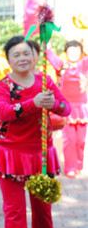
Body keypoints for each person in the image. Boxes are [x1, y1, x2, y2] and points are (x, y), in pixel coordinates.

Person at [0, 36, 70, 228]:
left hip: (41, 155)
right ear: (8, 59)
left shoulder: (45, 81)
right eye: (16, 54)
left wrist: (52, 103)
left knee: (43, 208)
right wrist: (32, 104)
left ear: (35, 56)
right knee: (14, 213)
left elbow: (65, 108)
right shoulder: (2, 85)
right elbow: (2, 112)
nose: (22, 58)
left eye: (27, 53)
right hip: (10, 155)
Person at [47, 40, 88, 178]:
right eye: (70, 50)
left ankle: (78, 165)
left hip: (81, 108)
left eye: (76, 50)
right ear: (66, 52)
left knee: (80, 140)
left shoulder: (84, 65)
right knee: (69, 139)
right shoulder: (61, 66)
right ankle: (70, 167)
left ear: (81, 52)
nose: (73, 53)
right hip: (66, 108)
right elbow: (49, 54)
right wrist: (47, 39)